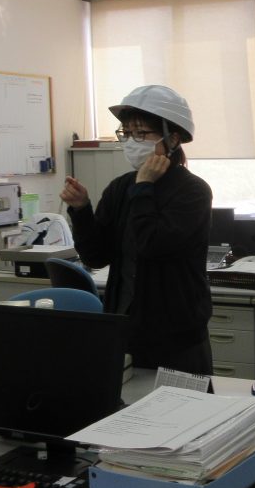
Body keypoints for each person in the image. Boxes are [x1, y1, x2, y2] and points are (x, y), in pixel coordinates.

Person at [61, 85, 213, 373]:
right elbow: (96, 256)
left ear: (173, 138)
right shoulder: (120, 188)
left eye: (141, 133)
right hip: (125, 327)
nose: (132, 141)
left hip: (176, 335)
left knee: (180, 403)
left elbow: (151, 245)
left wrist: (144, 186)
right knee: (126, 400)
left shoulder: (193, 191)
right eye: (127, 133)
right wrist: (81, 210)